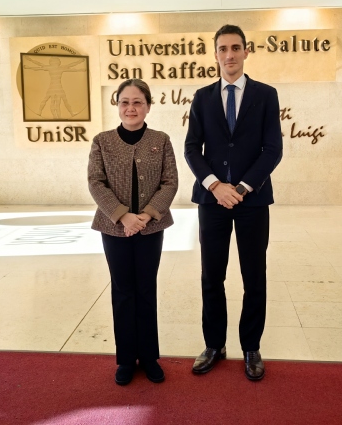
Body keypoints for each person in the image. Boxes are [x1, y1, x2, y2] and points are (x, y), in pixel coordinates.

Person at [184, 24, 283, 381]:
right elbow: (191, 148)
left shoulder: (265, 95)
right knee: (212, 276)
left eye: (235, 48)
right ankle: (214, 345)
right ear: (215, 54)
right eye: (223, 48)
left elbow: (273, 149)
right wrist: (214, 186)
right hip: (212, 202)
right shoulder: (202, 97)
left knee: (254, 277)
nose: (229, 54)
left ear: (246, 52)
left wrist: (240, 188)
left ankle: (251, 347)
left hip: (252, 201)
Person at [88, 78, 178, 385]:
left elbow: (170, 182)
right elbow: (96, 182)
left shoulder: (161, 140)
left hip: (151, 228)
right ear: (117, 106)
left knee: (146, 290)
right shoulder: (102, 141)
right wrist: (123, 216)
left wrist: (146, 215)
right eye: (124, 102)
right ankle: (126, 359)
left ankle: (149, 357)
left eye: (137, 102)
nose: (131, 108)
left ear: (148, 106)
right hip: (114, 229)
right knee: (123, 291)